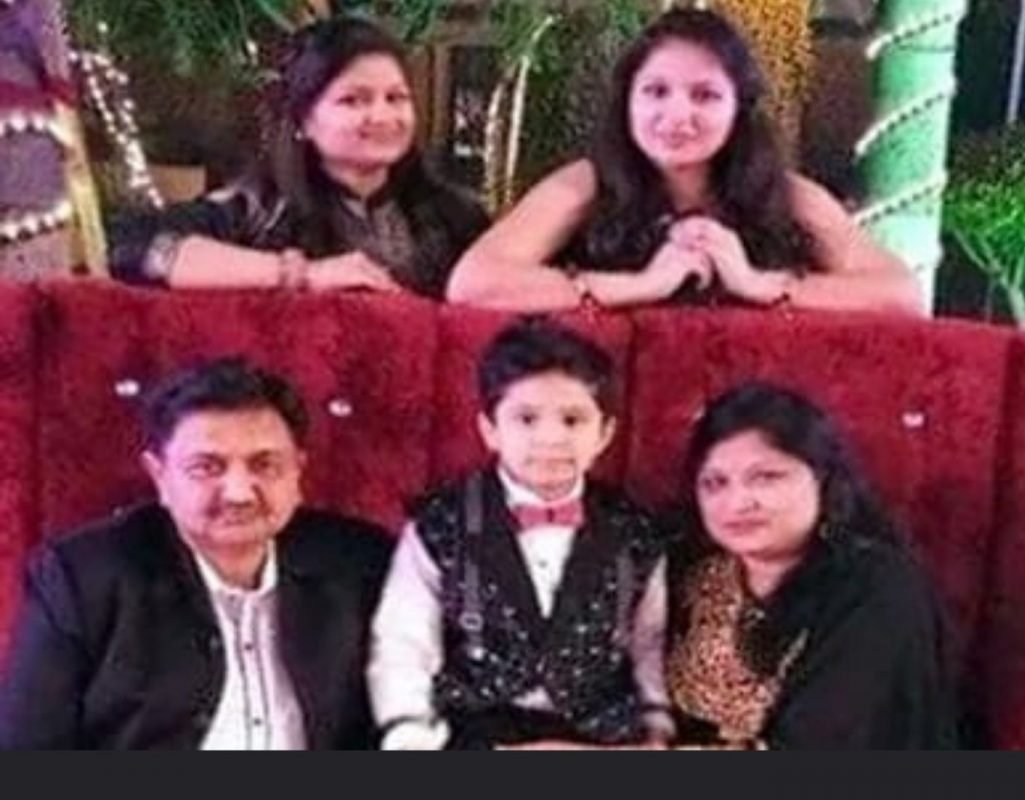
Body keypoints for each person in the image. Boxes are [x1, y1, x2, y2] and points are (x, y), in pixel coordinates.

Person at [0, 357, 394, 749]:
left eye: (264, 465)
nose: (239, 493)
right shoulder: (82, 579)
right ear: (159, 476)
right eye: (207, 467)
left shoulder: (362, 564)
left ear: (297, 471)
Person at [446, 8, 919, 314]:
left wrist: (759, 284)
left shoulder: (788, 194)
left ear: (739, 108)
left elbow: (901, 295)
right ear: (627, 101)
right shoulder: (585, 184)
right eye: (655, 92)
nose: (676, 116)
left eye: (705, 95)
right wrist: (640, 285)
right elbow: (474, 283)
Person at [367, 318, 672, 749]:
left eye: (572, 420)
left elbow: (649, 640)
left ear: (605, 433)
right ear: (490, 430)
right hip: (476, 727)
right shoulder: (440, 523)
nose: (550, 438)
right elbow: (404, 639)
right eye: (526, 419)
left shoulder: (635, 530)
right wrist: (410, 733)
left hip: (597, 731)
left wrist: (657, 723)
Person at [106, 16, 489, 298]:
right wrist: (301, 274)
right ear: (303, 119)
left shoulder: (456, 219)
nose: (382, 116)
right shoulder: (256, 211)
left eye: (396, 97)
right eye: (353, 100)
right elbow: (127, 246)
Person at [665, 382, 957, 749]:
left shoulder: (878, 588)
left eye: (766, 478)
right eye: (714, 483)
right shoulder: (695, 574)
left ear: (822, 478)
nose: (737, 503)